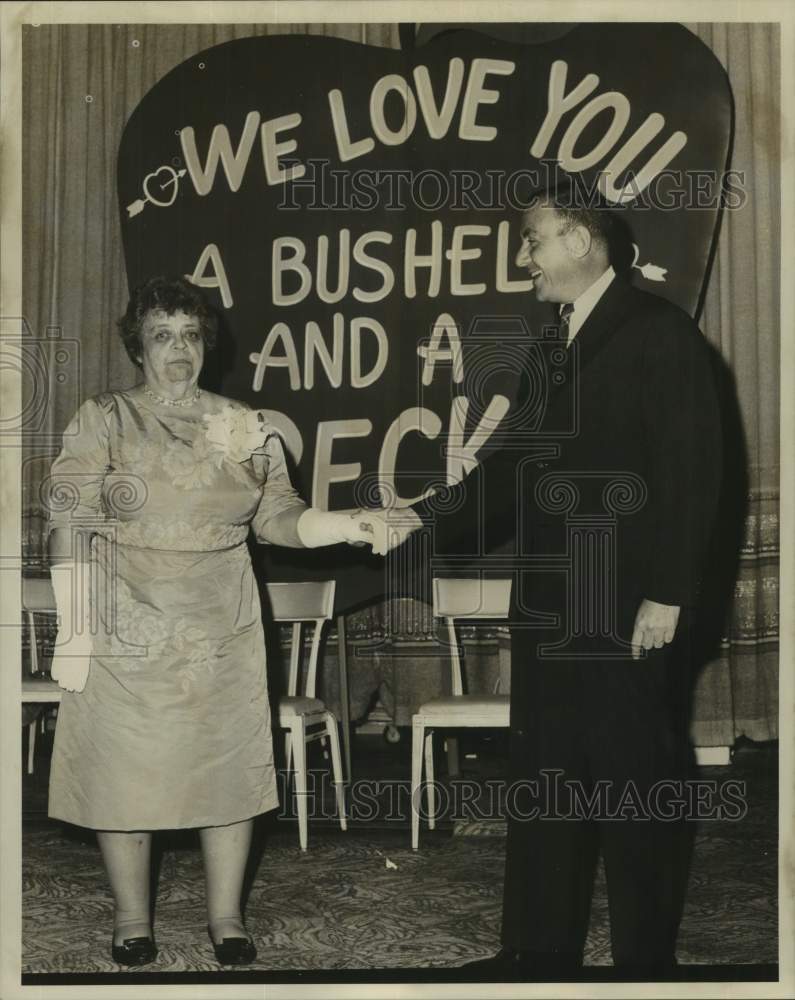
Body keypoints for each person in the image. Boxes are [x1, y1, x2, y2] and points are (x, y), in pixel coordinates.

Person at [364, 186, 722, 976]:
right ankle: (536, 953)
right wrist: (415, 520)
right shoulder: (552, 343)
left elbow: (695, 471)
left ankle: (644, 968)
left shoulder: (658, 332)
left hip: (628, 603)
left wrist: (667, 594)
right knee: (548, 774)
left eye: (532, 242)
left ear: (581, 239)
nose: (522, 259)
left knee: (633, 787)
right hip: (552, 601)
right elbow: (503, 474)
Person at [46, 276, 375, 967]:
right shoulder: (104, 416)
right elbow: (69, 519)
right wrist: (74, 631)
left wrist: (341, 522)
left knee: (227, 767)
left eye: (190, 334)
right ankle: (132, 919)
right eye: (162, 334)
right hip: (123, 614)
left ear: (206, 345)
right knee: (126, 770)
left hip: (222, 613)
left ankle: (226, 917)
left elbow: (277, 516)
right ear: (138, 346)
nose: (178, 349)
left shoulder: (245, 423)